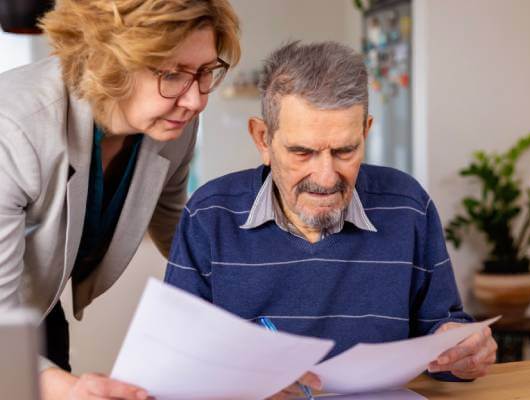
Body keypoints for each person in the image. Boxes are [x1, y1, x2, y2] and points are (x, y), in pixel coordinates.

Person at [164, 41, 497, 399]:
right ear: (263, 139)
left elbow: (443, 333)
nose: (325, 178)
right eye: (302, 152)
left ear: (365, 132)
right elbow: (174, 362)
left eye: (345, 151)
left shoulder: (408, 207)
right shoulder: (210, 215)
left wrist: (463, 350)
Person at [0, 0, 240, 399]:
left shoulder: (174, 122)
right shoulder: (13, 131)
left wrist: (255, 305)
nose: (197, 100)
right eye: (172, 74)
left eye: (205, 72)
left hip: (35, 308)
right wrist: (69, 390)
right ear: (109, 62)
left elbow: (176, 227)